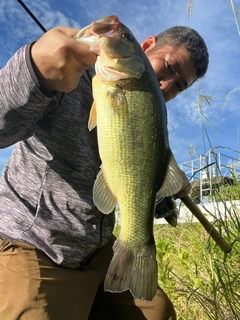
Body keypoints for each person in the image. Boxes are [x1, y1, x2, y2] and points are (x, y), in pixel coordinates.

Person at [0, 19, 208, 320]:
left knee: (158, 313)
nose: (165, 85)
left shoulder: (152, 116)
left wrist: (165, 188)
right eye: (170, 67)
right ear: (146, 46)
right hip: (36, 244)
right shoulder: (67, 73)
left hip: (98, 250)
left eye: (179, 86)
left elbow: (133, 175)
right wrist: (34, 71)